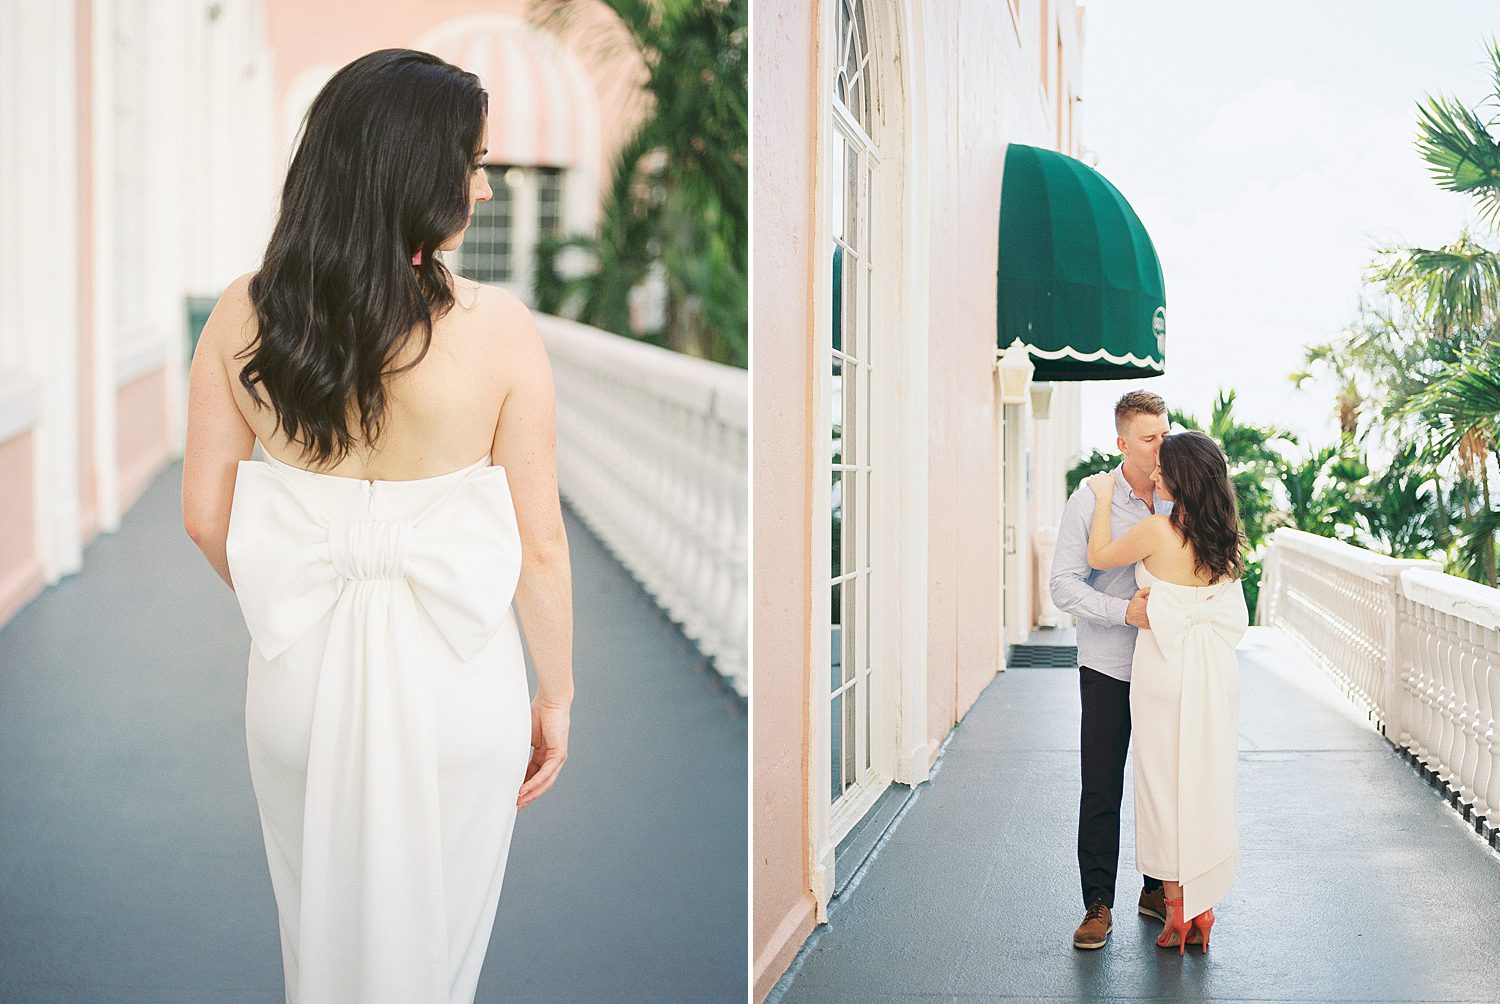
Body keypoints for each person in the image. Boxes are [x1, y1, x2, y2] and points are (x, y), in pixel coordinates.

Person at [180, 49, 573, 1002]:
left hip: (298, 682)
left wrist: (301, 592)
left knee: (314, 933)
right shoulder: (502, 330)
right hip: (458, 679)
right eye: (472, 162)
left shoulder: (243, 314)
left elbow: (204, 516)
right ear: (411, 167)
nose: (483, 185)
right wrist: (555, 697)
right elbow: (540, 544)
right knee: (440, 955)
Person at [1083, 429, 1249, 954]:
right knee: (1205, 780)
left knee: (1161, 788)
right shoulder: (1224, 535)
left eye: (1162, 469)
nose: (1154, 474)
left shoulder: (1157, 529)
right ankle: (1204, 909)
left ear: (1181, 478)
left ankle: (1176, 913)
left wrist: (1107, 498)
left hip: (1164, 667)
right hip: (1214, 670)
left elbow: (1100, 554)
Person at [1048, 390, 1170, 950]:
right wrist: (1124, 612)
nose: (1162, 445)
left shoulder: (1180, 496)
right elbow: (1063, 585)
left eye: (1166, 433)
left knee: (1160, 783)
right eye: (1150, 438)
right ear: (1122, 443)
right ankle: (1097, 904)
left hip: (1167, 666)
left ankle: (1155, 888)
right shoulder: (1091, 498)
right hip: (1107, 666)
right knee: (1102, 786)